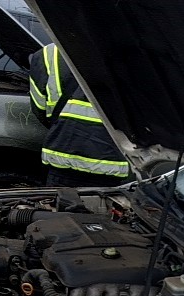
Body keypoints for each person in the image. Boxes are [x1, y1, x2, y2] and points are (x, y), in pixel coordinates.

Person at [28, 42, 131, 187]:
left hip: (62, 158)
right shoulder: (135, 53)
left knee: (62, 200)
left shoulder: (47, 53)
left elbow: (39, 107)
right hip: (111, 164)